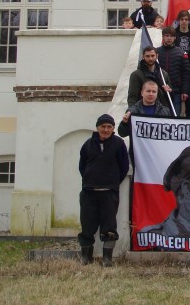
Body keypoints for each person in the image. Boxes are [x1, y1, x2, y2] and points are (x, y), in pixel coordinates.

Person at [78, 113, 129, 267]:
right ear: (97, 127)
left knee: (109, 225)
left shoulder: (119, 144)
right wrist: (89, 179)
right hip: (89, 191)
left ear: (113, 128)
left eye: (109, 127)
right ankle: (86, 257)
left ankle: (107, 258)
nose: (106, 130)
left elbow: (124, 167)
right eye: (103, 127)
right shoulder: (88, 144)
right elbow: (82, 166)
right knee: (87, 224)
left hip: (109, 191)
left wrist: (112, 181)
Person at [156, 26, 190, 117]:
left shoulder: (181, 53)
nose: (169, 38)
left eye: (171, 36)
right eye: (166, 36)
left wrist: (185, 91)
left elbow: (186, 73)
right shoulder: (156, 52)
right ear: (163, 37)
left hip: (176, 92)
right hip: (159, 92)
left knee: (175, 117)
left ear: (175, 37)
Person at [127, 45, 173, 109]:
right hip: (143, 111)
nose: (150, 58)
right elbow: (132, 97)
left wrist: (169, 91)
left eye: (152, 56)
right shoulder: (136, 75)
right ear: (143, 57)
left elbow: (169, 98)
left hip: (160, 112)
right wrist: (132, 112)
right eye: (147, 56)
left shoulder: (164, 74)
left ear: (157, 56)